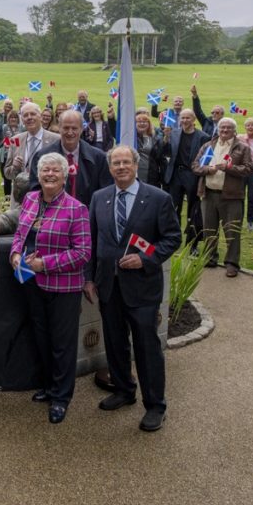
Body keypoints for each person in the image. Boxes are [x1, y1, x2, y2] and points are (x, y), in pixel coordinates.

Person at [85, 145, 182, 433]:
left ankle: (155, 405)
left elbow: (172, 238)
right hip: (108, 286)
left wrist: (144, 258)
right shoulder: (99, 198)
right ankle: (124, 390)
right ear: (110, 167)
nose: (121, 167)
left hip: (142, 289)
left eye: (126, 162)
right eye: (116, 163)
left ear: (136, 165)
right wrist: (90, 279)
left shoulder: (158, 198)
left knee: (146, 346)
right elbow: (91, 242)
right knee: (115, 343)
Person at [9, 153, 91, 423]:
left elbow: (82, 253)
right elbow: (21, 233)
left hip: (63, 286)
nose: (50, 175)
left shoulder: (76, 208)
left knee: (62, 344)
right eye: (45, 170)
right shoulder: (31, 199)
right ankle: (47, 385)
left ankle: (61, 397)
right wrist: (16, 254)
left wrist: (46, 264)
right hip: (31, 282)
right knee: (41, 337)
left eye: (56, 171)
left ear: (65, 176)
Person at [191, 117, 253, 277]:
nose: (224, 131)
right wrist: (206, 170)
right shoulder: (208, 145)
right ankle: (210, 257)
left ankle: (232, 263)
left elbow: (248, 169)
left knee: (232, 231)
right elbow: (195, 166)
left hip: (231, 197)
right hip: (209, 194)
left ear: (234, 130)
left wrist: (229, 168)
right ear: (218, 130)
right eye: (222, 128)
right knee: (209, 229)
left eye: (228, 128)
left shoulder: (242, 148)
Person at [29, 109, 113, 206]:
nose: (70, 132)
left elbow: (105, 194)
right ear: (59, 128)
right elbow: (35, 191)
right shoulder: (42, 157)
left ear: (81, 129)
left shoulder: (99, 158)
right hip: (53, 217)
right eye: (66, 128)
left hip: (87, 216)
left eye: (74, 128)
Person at [163, 108, 211, 251]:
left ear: (193, 119)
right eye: (182, 118)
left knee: (194, 211)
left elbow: (205, 159)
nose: (184, 120)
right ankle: (172, 240)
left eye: (187, 118)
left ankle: (192, 244)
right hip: (175, 175)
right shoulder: (174, 133)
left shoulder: (203, 137)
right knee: (173, 209)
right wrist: (165, 139)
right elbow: (165, 153)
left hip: (193, 175)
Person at [3, 102, 58, 183]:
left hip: (47, 192)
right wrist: (15, 167)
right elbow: (7, 174)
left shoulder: (55, 139)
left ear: (40, 116)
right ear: (22, 119)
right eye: (25, 115)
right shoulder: (15, 140)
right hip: (21, 193)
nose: (29, 117)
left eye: (33, 114)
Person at [135, 110, 165, 186]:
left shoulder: (154, 138)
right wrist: (111, 118)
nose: (142, 123)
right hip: (134, 173)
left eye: (145, 121)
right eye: (139, 121)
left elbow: (160, 157)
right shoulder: (131, 137)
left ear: (149, 124)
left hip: (151, 174)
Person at [0, 111, 21, 200]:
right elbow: (4, 141)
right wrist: (13, 142)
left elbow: (20, 142)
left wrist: (10, 141)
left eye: (15, 117)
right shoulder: (5, 127)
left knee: (18, 179)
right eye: (11, 117)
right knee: (6, 178)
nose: (13, 119)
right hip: (5, 156)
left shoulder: (21, 128)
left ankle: (17, 199)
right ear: (8, 119)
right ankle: (7, 199)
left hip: (18, 156)